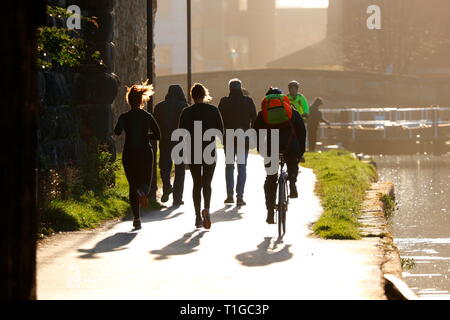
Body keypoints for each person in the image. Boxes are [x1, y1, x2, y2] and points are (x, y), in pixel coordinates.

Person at [253, 87, 306, 224]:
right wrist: (300, 152)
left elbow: (256, 133)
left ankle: (270, 212)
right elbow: (302, 132)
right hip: (291, 146)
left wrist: (261, 149)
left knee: (270, 179)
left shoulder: (263, 114)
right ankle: (292, 182)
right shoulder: (292, 112)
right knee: (292, 162)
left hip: (271, 147)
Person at [114, 81, 161, 230]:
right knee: (145, 183)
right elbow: (158, 135)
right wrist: (146, 135)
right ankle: (143, 192)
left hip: (129, 154)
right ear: (141, 100)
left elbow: (117, 131)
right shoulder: (147, 116)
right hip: (145, 154)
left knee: (132, 186)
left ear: (129, 101)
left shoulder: (124, 116)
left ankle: (136, 219)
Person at [178, 83, 224, 229]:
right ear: (204, 95)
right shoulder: (213, 110)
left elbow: (181, 133)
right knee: (207, 184)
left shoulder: (186, 111)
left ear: (192, 96)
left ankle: (197, 217)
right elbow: (220, 131)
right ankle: (207, 210)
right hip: (209, 150)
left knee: (197, 184)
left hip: (193, 151)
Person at [218, 79, 257, 206]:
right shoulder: (248, 101)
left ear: (230, 89)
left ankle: (229, 196)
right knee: (242, 167)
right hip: (243, 138)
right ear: (241, 88)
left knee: (229, 167)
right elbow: (254, 119)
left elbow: (219, 120)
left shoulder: (224, 102)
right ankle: (240, 196)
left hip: (228, 138)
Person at [154, 85, 188, 206]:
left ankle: (167, 187)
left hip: (165, 141)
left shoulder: (159, 107)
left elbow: (155, 126)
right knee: (180, 170)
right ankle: (177, 198)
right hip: (180, 142)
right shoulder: (184, 107)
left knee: (164, 167)